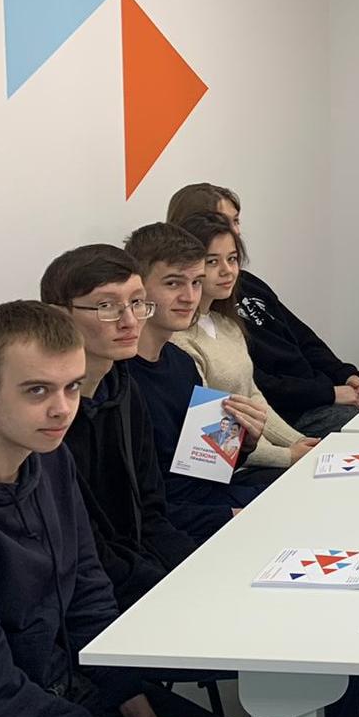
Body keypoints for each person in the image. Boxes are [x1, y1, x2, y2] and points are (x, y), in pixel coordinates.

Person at [0, 300, 257, 717]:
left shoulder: (49, 458)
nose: (62, 408)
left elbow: (88, 594)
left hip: (47, 684)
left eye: (71, 387)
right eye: (37, 390)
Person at [40, 244, 202, 609]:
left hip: (140, 572)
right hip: (92, 598)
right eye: (107, 306)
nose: (130, 321)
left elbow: (151, 511)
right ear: (59, 316)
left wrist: (197, 568)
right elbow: (84, 552)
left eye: (137, 303)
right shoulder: (49, 420)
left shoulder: (124, 389)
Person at [168, 183, 359, 437]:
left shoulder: (233, 308)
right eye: (221, 223)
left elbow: (302, 338)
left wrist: (344, 375)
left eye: (236, 221)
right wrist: (327, 396)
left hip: (311, 399)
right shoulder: (184, 335)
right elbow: (238, 411)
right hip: (293, 413)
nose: (234, 232)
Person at [123, 222, 274, 541]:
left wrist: (243, 444)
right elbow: (143, 511)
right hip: (183, 526)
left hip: (216, 501)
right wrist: (228, 516)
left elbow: (206, 468)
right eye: (173, 283)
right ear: (137, 291)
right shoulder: (120, 382)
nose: (189, 296)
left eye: (195, 282)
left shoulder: (181, 362)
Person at [170, 212, 318, 470]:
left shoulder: (227, 324)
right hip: (226, 467)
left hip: (254, 457)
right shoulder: (179, 340)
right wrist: (286, 456)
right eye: (212, 262)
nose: (227, 271)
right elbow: (209, 430)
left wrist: (299, 442)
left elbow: (253, 397)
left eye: (232, 259)